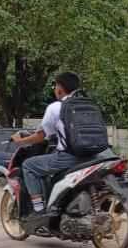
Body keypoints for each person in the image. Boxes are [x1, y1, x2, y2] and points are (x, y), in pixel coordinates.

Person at [11, 72, 83, 218]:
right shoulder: (86, 104)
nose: (54, 89)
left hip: (69, 156)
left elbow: (41, 136)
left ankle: (38, 210)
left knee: (29, 166)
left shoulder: (56, 107)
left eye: (55, 85)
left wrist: (20, 142)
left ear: (60, 88)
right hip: (93, 155)